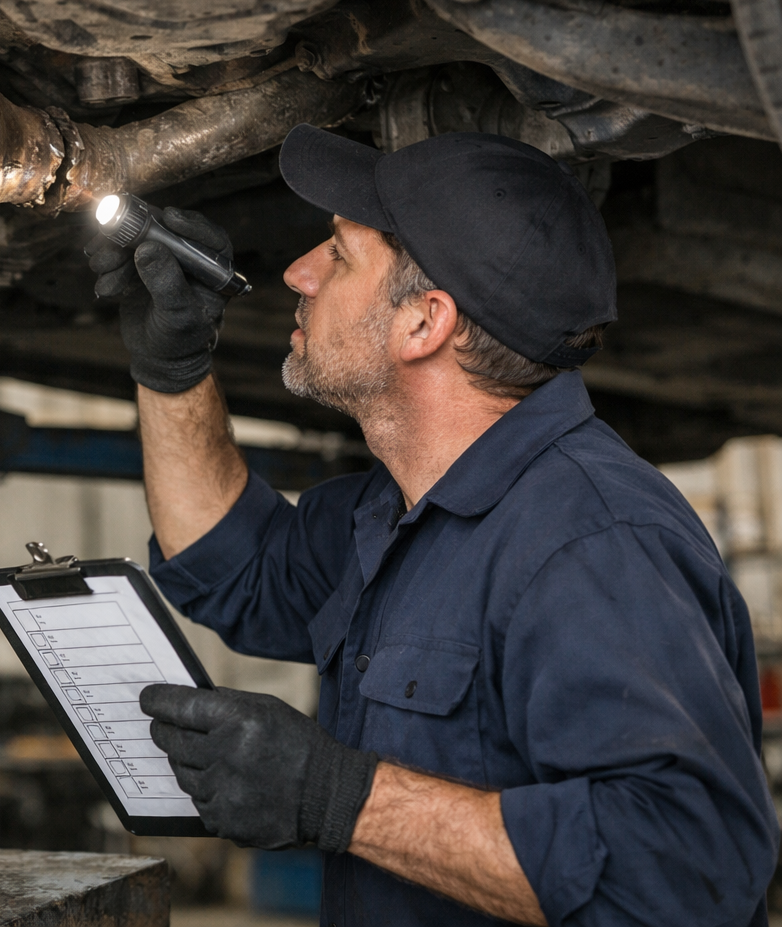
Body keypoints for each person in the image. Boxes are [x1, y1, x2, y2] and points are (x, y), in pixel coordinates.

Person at [87, 124, 780, 926]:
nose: (298, 272)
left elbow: (683, 872)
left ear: (425, 322)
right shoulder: (394, 511)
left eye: (338, 255)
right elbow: (229, 564)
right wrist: (172, 368)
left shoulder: (593, 543)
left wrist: (339, 798)